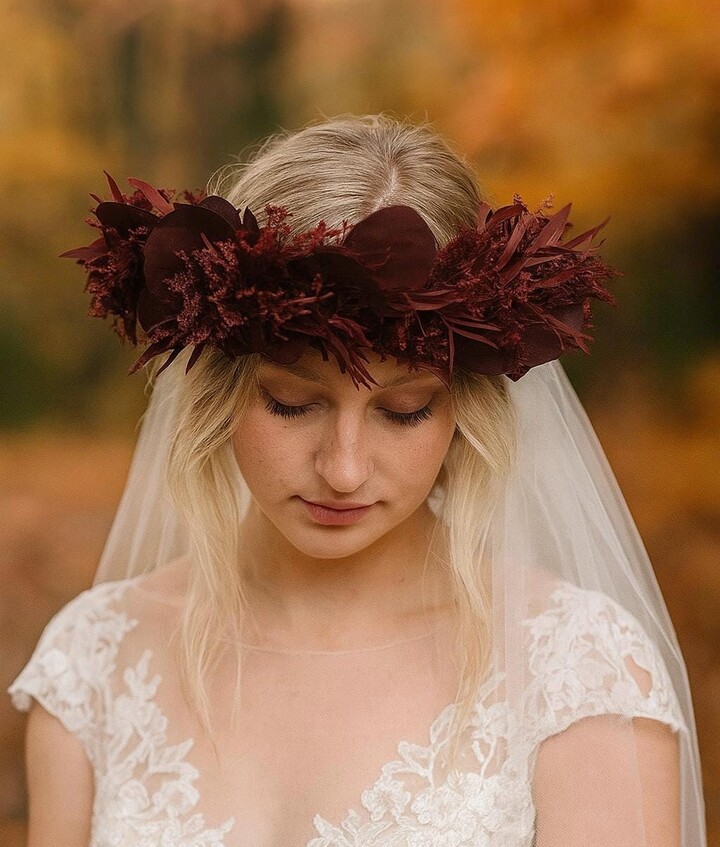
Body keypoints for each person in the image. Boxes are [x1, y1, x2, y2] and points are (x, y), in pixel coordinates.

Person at [7, 114, 706, 846]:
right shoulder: (96, 660)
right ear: (219, 392)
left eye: (404, 411)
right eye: (292, 403)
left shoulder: (579, 673)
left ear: (463, 411)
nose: (342, 468)